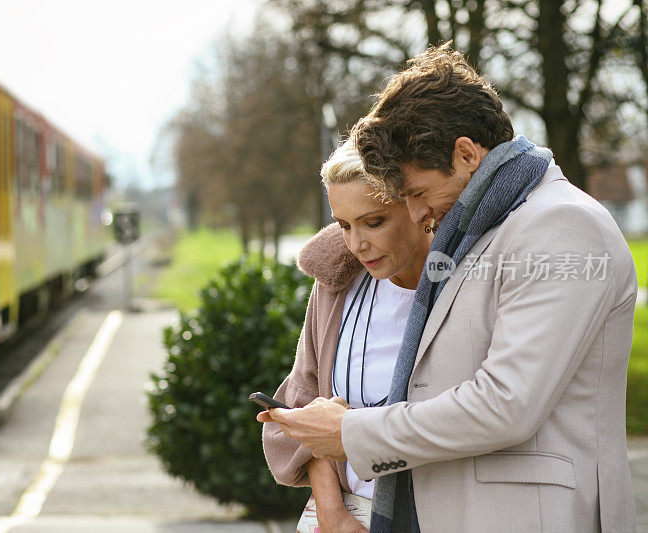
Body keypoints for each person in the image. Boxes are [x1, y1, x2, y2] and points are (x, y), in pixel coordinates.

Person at [259, 44, 637, 532]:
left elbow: (506, 405)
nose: (416, 214)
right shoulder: (479, 230)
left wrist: (353, 433)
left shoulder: (561, 224)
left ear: (465, 154)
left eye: (416, 193)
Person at [260, 139, 431, 532]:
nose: (357, 245)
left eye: (374, 222)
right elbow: (304, 399)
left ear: (418, 208)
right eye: (344, 226)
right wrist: (333, 515)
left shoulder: (457, 290)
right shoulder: (337, 284)